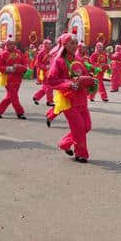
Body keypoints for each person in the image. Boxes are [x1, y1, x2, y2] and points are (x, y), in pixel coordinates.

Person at [46, 31, 95, 163]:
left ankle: (65, 143)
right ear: (65, 45)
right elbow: (51, 80)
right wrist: (68, 84)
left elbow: (85, 75)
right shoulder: (59, 61)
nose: (75, 46)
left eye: (76, 43)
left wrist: (91, 81)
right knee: (78, 127)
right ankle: (81, 154)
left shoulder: (78, 60)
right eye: (71, 43)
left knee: (87, 126)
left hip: (81, 98)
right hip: (68, 99)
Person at [0, 35, 29, 119]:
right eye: (10, 44)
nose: (12, 45)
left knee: (10, 96)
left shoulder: (19, 53)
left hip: (18, 78)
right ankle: (20, 112)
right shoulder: (3, 54)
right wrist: (9, 68)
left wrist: (21, 68)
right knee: (14, 96)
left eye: (13, 43)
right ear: (6, 44)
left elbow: (25, 64)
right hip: (8, 79)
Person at [32, 39, 54, 106]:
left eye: (51, 44)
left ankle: (36, 97)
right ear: (45, 44)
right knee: (49, 86)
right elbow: (37, 63)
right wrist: (45, 66)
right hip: (44, 72)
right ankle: (49, 101)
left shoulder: (52, 51)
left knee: (45, 87)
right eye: (49, 44)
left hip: (51, 70)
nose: (50, 45)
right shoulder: (41, 52)